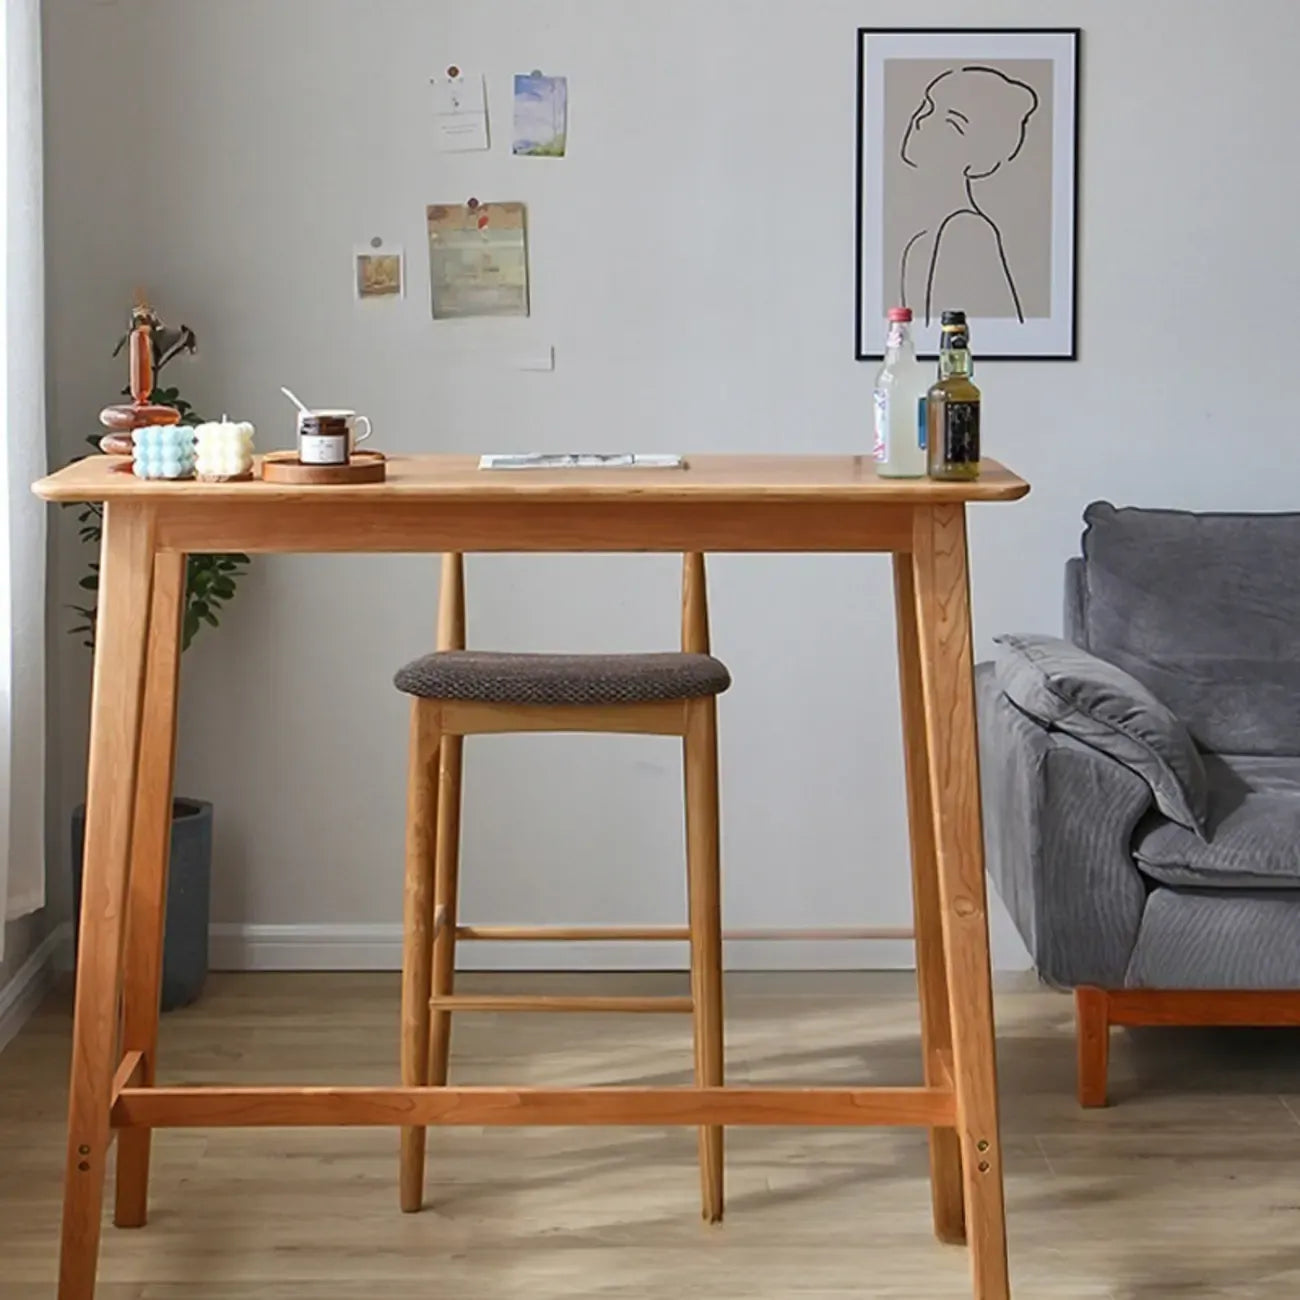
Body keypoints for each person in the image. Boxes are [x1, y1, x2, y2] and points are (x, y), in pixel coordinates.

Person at [897, 65, 1039, 325]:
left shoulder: (965, 230)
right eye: (928, 106)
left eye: (952, 123)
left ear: (980, 160)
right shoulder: (923, 241)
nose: (921, 120)